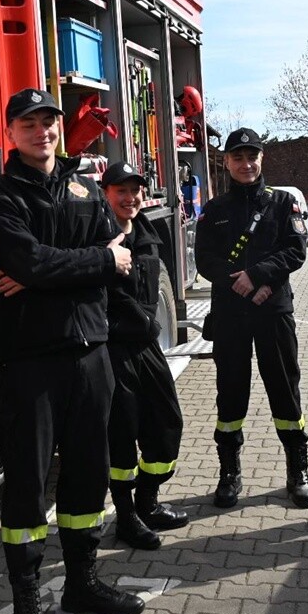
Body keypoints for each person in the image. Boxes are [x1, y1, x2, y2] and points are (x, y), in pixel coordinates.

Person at [0, 88, 145, 614]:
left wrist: (52, 269)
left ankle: (82, 581)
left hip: (89, 351)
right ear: (11, 131)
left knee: (88, 473)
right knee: (27, 483)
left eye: (48, 121)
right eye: (29, 123)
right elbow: (35, 263)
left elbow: (110, 252)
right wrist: (83, 263)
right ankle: (25, 605)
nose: (41, 131)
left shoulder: (83, 188)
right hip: (32, 361)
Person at [194, 128, 308, 510]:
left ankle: (298, 471)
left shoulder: (283, 204)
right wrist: (240, 283)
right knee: (230, 393)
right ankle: (229, 474)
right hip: (230, 312)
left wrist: (259, 278)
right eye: (237, 158)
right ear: (226, 162)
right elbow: (205, 260)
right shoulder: (214, 210)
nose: (246, 165)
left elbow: (295, 252)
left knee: (284, 388)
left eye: (252, 157)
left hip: (273, 310)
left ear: (262, 159)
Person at [99, 161, 188, 550]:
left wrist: (149, 327)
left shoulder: (148, 231)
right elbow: (107, 294)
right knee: (121, 435)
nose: (130, 197)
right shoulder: (97, 237)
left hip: (146, 344)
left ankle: (148, 501)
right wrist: (144, 324)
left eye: (135, 190)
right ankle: (126, 517)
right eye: (121, 190)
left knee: (168, 420)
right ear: (106, 194)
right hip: (115, 347)